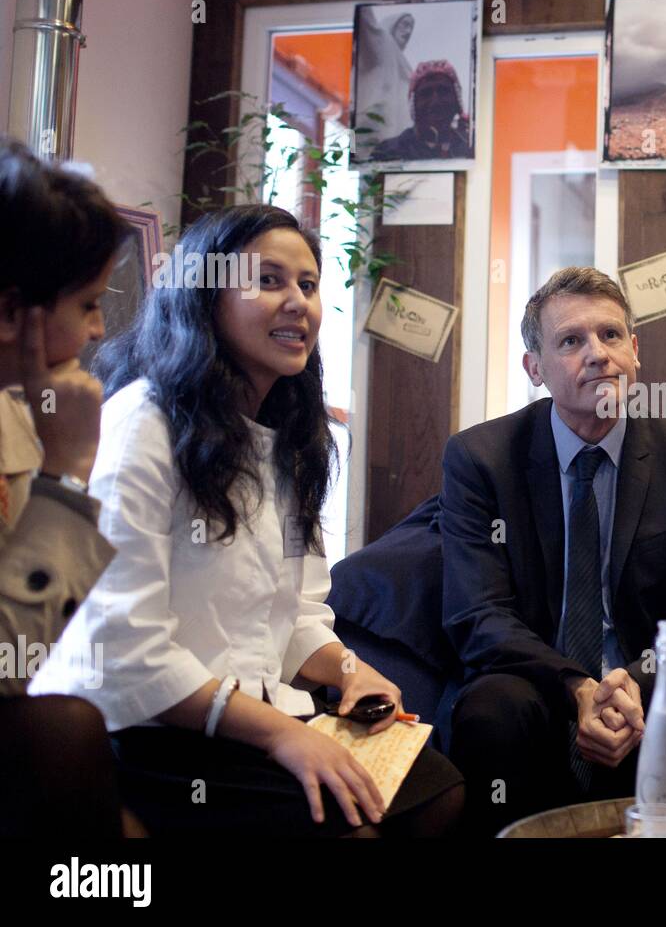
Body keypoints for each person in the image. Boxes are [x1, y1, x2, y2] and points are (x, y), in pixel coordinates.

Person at [30, 204, 463, 836]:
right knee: (352, 824)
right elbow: (125, 647)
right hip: (152, 727)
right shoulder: (142, 422)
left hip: (249, 716)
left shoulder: (289, 441)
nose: (297, 302)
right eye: (268, 281)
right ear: (206, 296)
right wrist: (285, 736)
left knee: (439, 790)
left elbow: (292, 616)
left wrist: (350, 670)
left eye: (308, 285)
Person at [439, 265, 666, 836]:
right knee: (492, 712)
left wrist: (631, 681)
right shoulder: (482, 459)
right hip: (534, 676)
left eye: (611, 336)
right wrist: (577, 686)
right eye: (570, 341)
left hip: (648, 674)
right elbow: (478, 617)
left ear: (635, 352)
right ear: (535, 368)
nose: (597, 354)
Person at [0, 137, 126, 835]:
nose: (101, 328)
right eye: (87, 303)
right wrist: (66, 474)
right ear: (12, 311)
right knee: (63, 736)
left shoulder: (18, 412)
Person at [370, 60, 472, 161]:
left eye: (443, 91)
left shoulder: (472, 148)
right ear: (413, 106)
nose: (435, 101)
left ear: (457, 102)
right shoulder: (388, 151)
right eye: (426, 93)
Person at [355, 10, 415, 152]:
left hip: (395, 140)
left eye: (411, 29)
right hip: (369, 128)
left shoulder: (405, 64)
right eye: (405, 25)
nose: (407, 32)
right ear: (393, 23)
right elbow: (365, 19)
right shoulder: (382, 40)